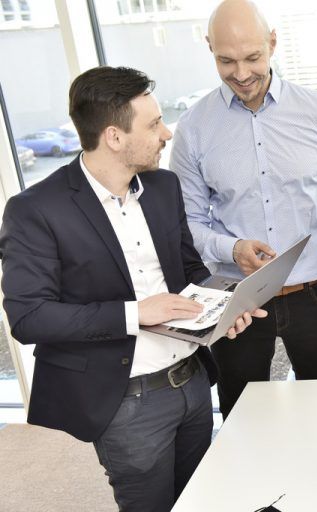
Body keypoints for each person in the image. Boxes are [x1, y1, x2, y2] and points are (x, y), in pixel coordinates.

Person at [0, 66, 262, 512]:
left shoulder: (163, 187)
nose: (166, 133)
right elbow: (28, 317)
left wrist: (222, 309)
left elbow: (190, 271)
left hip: (193, 382)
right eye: (154, 123)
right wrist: (135, 312)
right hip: (126, 402)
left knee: (203, 499)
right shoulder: (35, 210)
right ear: (114, 137)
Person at [170, 0, 317, 418]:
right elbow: (187, 224)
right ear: (209, 49)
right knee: (242, 415)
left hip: (316, 293)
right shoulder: (194, 128)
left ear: (272, 43)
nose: (241, 73)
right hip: (236, 300)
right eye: (226, 60)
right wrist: (231, 246)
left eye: (253, 57)